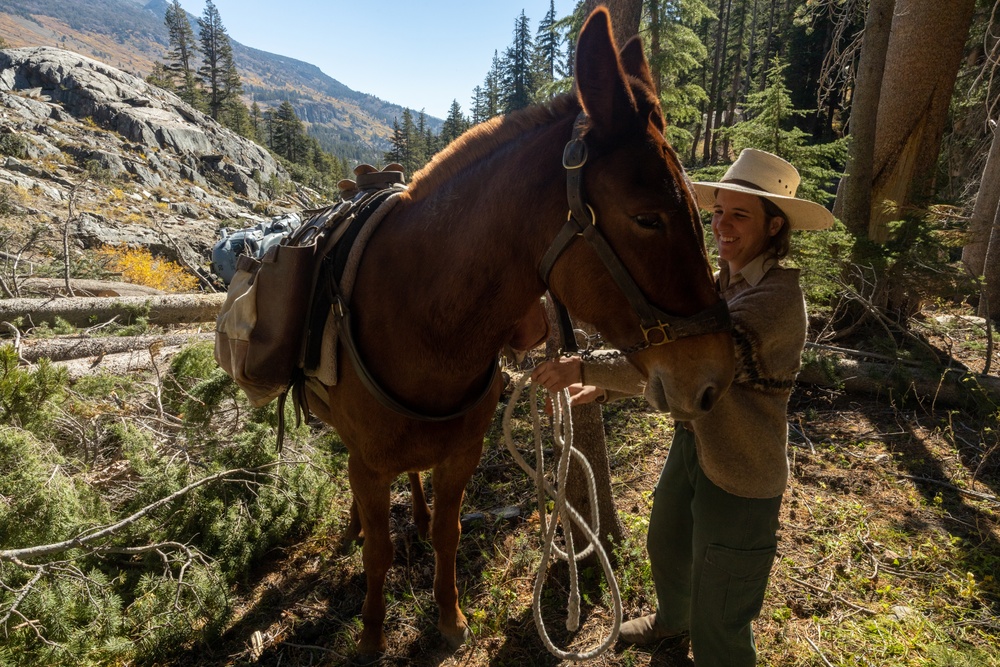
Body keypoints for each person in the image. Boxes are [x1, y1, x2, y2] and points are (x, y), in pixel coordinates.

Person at [531, 149, 834, 665]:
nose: (722, 225)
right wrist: (608, 385)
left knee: (723, 597)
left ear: (774, 225)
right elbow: (668, 353)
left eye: (740, 214)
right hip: (696, 441)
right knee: (667, 541)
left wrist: (586, 370)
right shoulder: (722, 283)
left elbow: (694, 370)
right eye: (718, 212)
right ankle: (674, 620)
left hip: (743, 465)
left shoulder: (776, 301)